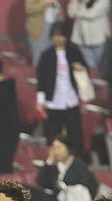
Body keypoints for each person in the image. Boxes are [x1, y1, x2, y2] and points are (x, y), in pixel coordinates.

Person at [36, 23, 88, 157]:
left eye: (60, 35)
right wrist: (41, 100)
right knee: (54, 134)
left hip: (71, 99)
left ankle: (77, 159)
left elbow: (85, 67)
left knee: (75, 133)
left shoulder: (73, 51)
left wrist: (80, 68)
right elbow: (41, 78)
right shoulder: (46, 55)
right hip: (53, 100)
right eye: (55, 35)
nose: (58, 39)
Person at [37, 133, 98, 201]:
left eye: (59, 147)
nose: (56, 151)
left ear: (68, 148)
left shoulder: (79, 166)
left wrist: (68, 191)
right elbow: (41, 181)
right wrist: (49, 161)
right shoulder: (53, 167)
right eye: (54, 148)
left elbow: (89, 186)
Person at [67, 0, 111, 68]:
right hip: (82, 39)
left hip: (98, 39)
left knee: (101, 66)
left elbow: (91, 14)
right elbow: (71, 13)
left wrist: (78, 12)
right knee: (91, 67)